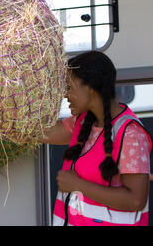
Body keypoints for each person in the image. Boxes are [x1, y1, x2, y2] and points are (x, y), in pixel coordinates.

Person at [41, 50, 152, 226]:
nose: (65, 95)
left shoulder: (131, 135)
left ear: (91, 87)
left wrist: (77, 185)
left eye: (69, 88)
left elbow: (135, 200)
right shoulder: (83, 121)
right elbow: (43, 133)